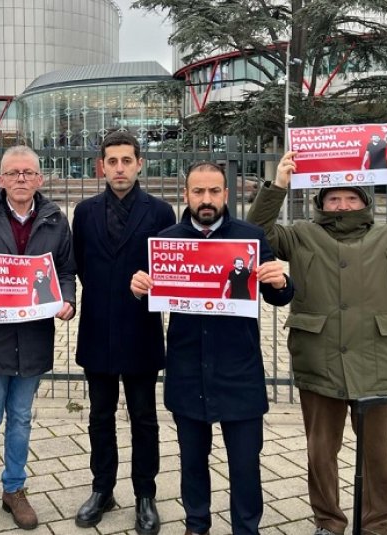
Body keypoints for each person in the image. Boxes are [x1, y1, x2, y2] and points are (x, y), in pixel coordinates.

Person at [247, 149, 387, 535]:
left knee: (377, 454)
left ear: (365, 201)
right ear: (321, 202)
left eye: (351, 197)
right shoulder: (301, 235)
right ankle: (328, 521)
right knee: (321, 452)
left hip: (376, 358)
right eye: (333, 198)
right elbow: (255, 234)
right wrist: (277, 186)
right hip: (318, 355)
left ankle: (377, 525)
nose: (342, 205)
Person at [131, 162, 293, 535]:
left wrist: (280, 280)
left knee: (245, 464)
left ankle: (246, 529)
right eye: (198, 192)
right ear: (186, 195)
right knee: (191, 461)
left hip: (239, 371)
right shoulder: (167, 240)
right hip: (188, 370)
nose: (206, 200)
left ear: (225, 194)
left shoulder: (249, 237)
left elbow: (277, 295)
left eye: (214, 192)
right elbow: (150, 293)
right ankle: (197, 524)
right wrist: (139, 287)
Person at [0, 145, 76, 534]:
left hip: (34, 336)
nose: (21, 179)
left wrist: (68, 301)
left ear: (40, 179)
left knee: (21, 419)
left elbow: (66, 271)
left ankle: (15, 488)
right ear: (1, 179)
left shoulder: (56, 219)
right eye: (13, 173)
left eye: (28, 172)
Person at [71, 130, 175, 534]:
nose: (119, 168)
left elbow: (168, 270)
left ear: (139, 164)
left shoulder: (161, 212)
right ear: (102, 166)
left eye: (126, 161)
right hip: (97, 327)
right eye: (111, 161)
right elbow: (79, 263)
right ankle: (103, 489)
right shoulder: (84, 211)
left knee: (145, 418)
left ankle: (145, 495)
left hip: (141, 330)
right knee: (100, 416)